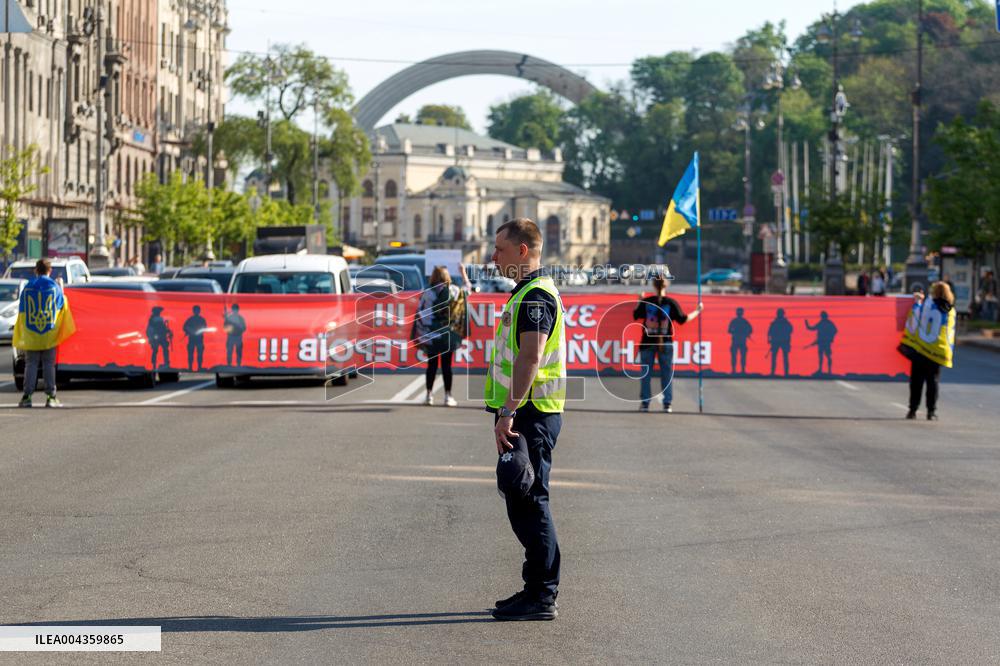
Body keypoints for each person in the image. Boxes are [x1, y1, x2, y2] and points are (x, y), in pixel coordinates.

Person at [485, 218, 566, 622]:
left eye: (499, 249)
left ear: (522, 251)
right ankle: (535, 588)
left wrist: (508, 411)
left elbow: (531, 357)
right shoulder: (526, 292)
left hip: (529, 414)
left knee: (531, 500)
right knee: (521, 498)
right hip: (526, 412)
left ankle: (542, 595)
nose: (493, 257)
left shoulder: (535, 297)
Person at [632, 272, 702, 412]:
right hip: (666, 342)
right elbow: (683, 319)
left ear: (653, 285)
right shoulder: (671, 303)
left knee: (646, 374)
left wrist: (640, 300)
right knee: (667, 374)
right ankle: (667, 403)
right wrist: (698, 310)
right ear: (666, 285)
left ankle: (645, 403)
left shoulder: (647, 302)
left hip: (647, 342)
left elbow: (635, 315)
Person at [13, 258, 76, 408]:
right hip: (49, 334)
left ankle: (27, 397)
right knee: (49, 365)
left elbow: (22, 310)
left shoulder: (28, 287)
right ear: (50, 270)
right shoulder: (54, 287)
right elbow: (62, 305)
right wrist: (62, 289)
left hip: (31, 335)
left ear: (36, 270)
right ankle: (51, 397)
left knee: (31, 365)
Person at [415, 264, 470, 406]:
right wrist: (463, 273)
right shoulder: (454, 291)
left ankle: (429, 395)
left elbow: (421, 313)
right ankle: (448, 396)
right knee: (447, 365)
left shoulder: (427, 293)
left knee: (432, 365)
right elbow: (467, 290)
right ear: (447, 276)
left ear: (433, 276)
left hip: (431, 335)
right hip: (448, 334)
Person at [900, 282, 956, 420]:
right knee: (933, 382)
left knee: (916, 381)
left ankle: (912, 410)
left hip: (921, 350)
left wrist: (918, 301)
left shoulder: (927, 306)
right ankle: (931, 412)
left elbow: (915, 317)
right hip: (937, 352)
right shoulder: (951, 311)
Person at [804, 311, 838, 375]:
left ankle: (829, 371)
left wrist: (830, 337)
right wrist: (807, 325)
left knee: (827, 356)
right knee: (821, 356)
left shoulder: (828, 323)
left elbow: (835, 331)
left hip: (825, 342)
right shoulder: (822, 323)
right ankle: (821, 369)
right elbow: (812, 328)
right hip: (821, 342)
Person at [767, 308, 793, 376]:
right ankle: (773, 372)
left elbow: (790, 330)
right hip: (776, 342)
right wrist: (769, 339)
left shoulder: (785, 323)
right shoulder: (775, 323)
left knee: (784, 357)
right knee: (775, 358)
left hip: (783, 342)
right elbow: (769, 332)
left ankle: (785, 373)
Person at [727, 307, 752, 375]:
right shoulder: (736, 321)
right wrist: (736, 331)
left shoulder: (743, 321)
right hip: (736, 341)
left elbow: (750, 330)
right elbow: (729, 330)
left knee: (742, 357)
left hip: (741, 341)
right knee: (735, 356)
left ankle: (742, 370)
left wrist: (745, 333)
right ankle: (734, 370)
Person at [183, 305, 208, 372]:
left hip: (199, 339)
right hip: (192, 339)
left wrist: (196, 331)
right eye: (195, 310)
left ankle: (199, 367)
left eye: (197, 310)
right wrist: (190, 331)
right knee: (191, 354)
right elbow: (184, 327)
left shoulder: (201, 319)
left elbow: (205, 328)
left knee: (199, 354)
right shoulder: (191, 319)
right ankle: (190, 367)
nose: (197, 311)